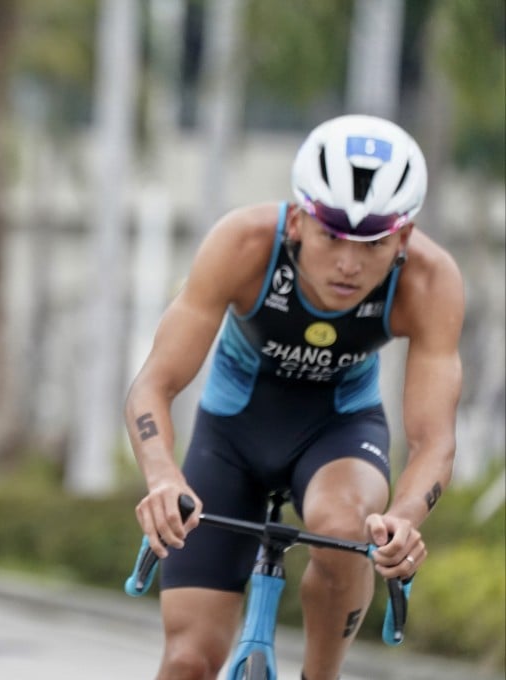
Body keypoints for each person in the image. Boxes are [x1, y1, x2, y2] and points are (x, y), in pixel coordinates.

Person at [125, 114, 463, 680]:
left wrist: (403, 521)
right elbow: (152, 385)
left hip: (339, 432)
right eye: (333, 235)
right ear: (300, 222)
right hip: (231, 433)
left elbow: (435, 439)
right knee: (187, 662)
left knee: (344, 523)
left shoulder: (431, 281)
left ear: (403, 237)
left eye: (375, 242)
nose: (350, 263)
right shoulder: (243, 244)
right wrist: (162, 477)